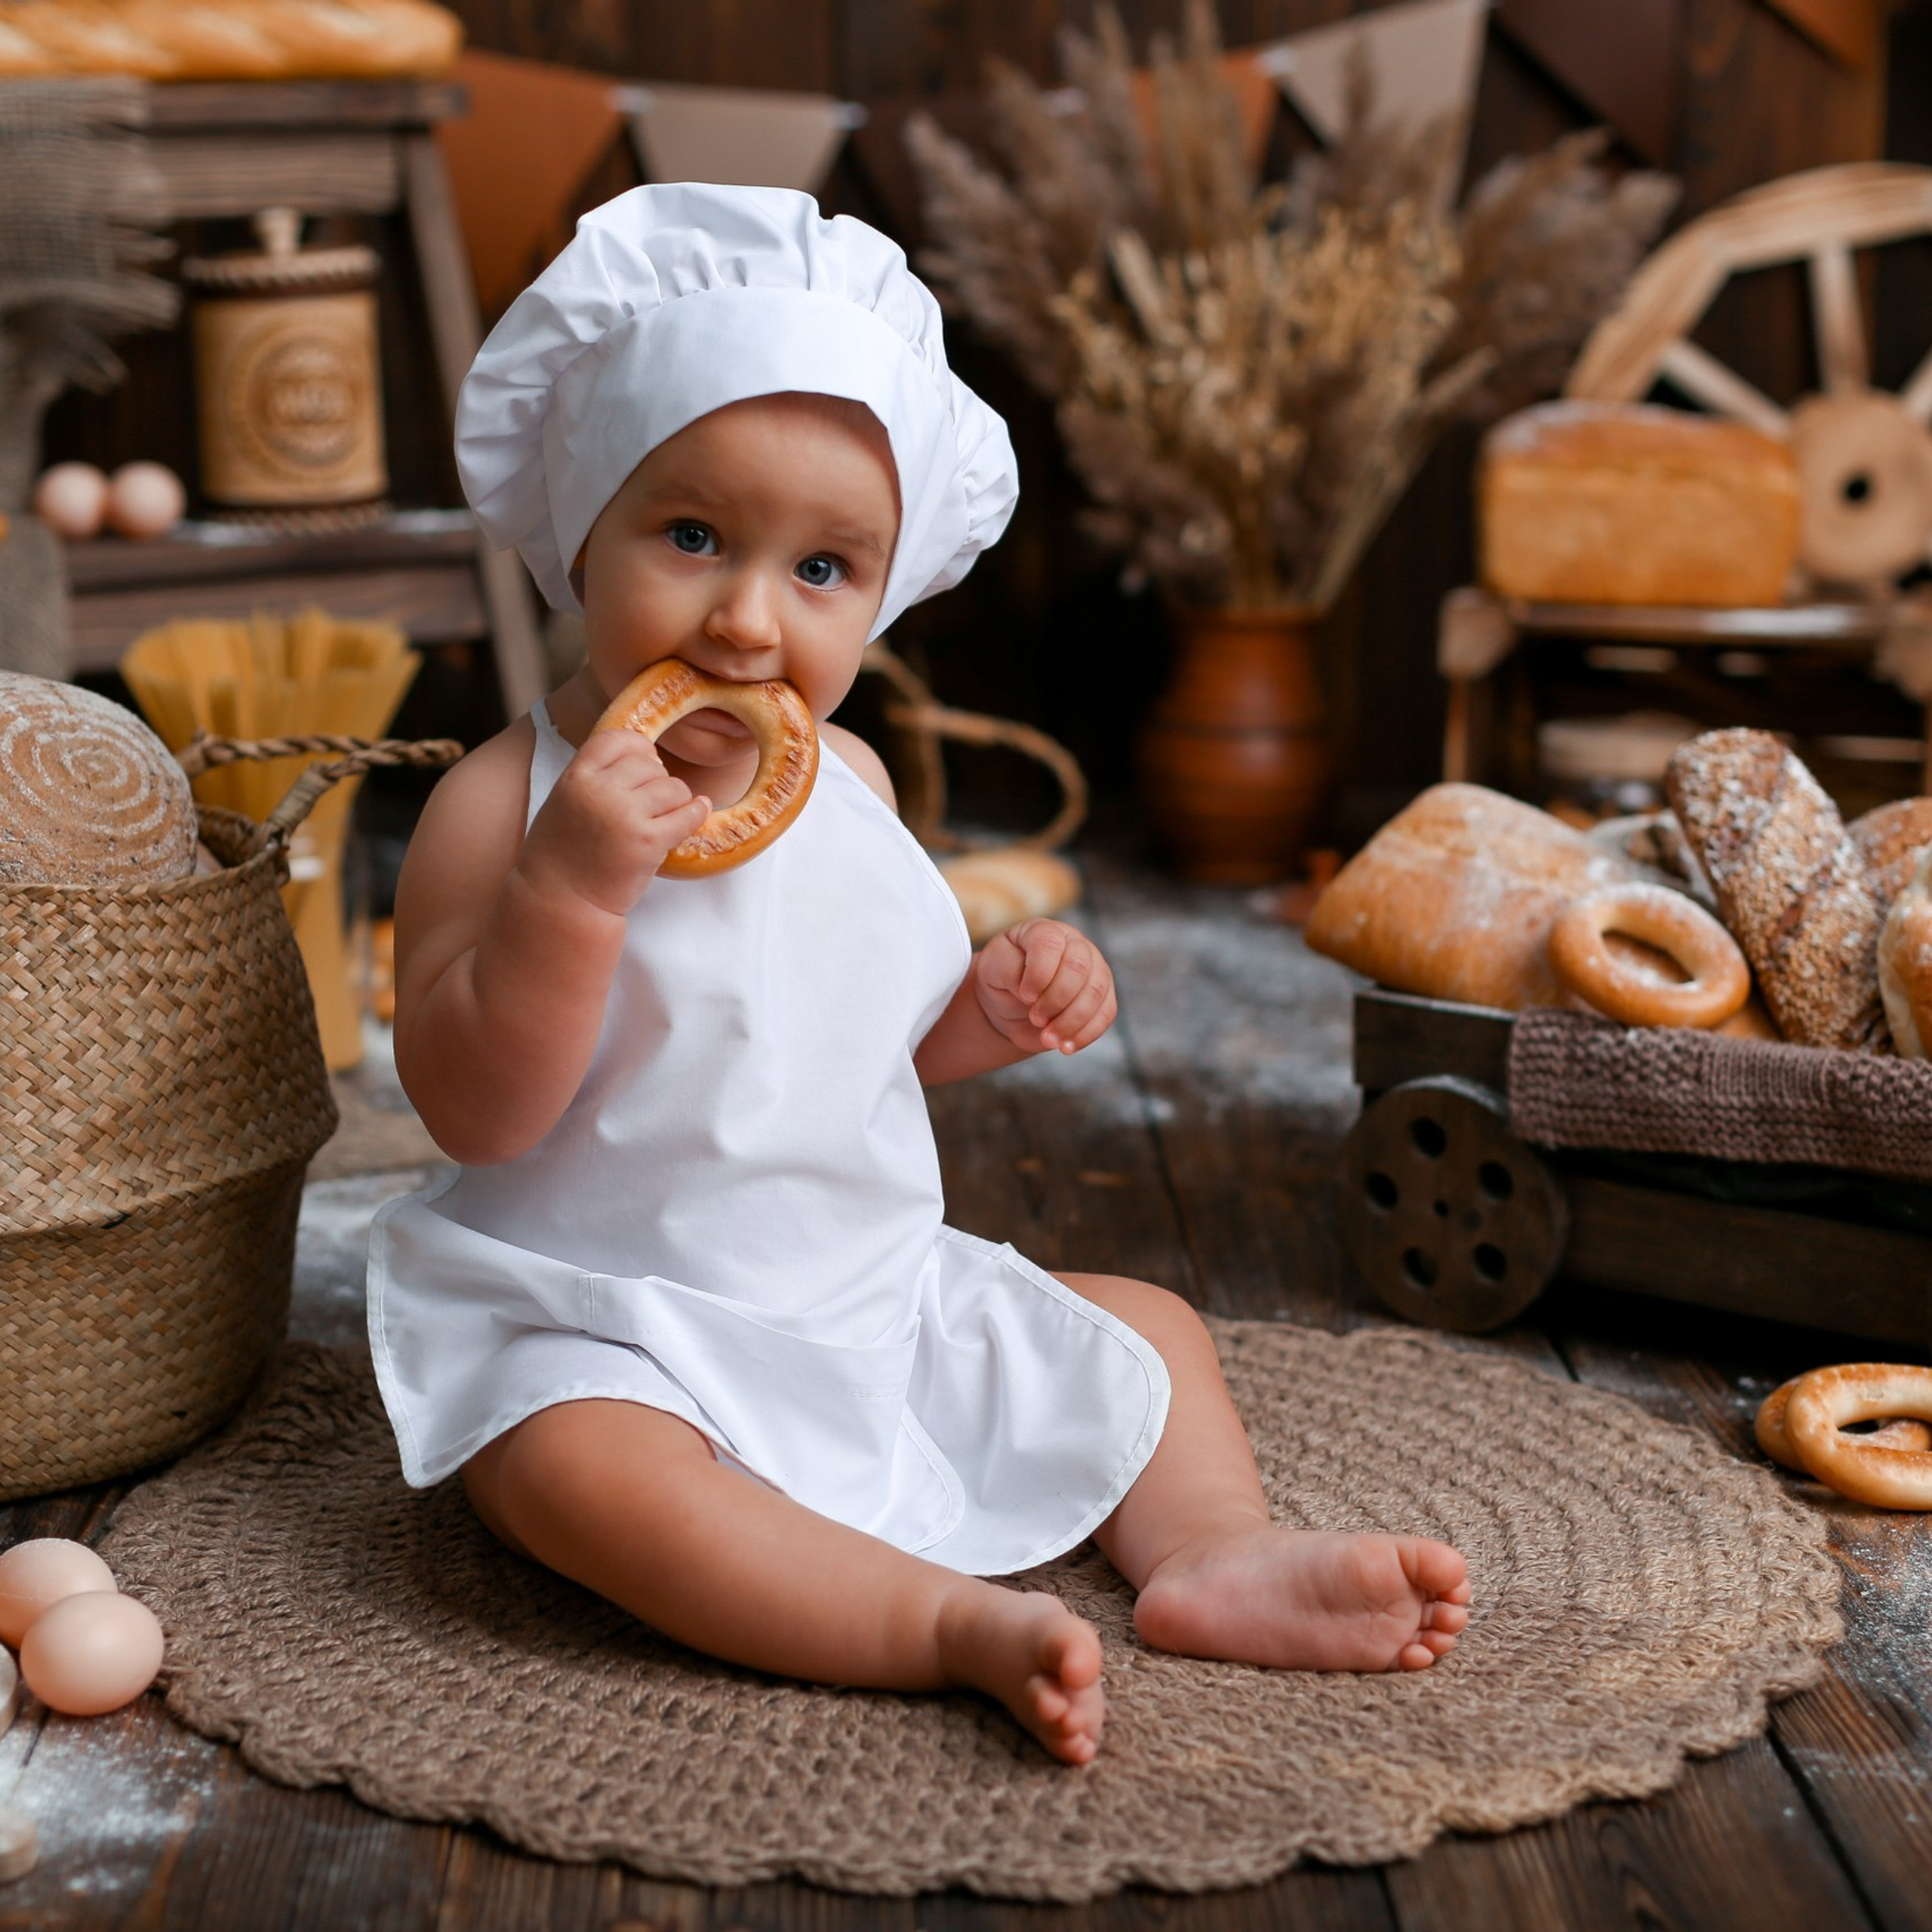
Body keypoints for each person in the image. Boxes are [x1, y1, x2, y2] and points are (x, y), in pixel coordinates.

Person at [370, 184, 1470, 1767]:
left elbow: (848, 1044)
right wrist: (571, 887)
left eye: (822, 568)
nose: (747, 619)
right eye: (691, 537)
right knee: (568, 1471)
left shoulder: (854, 788)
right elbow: (479, 1113)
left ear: (881, 598)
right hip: (612, 1325)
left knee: (1146, 1324)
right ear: (582, 524)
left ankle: (1210, 1549)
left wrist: (988, 1010)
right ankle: (933, 1621)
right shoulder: (501, 805)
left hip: (861, 1297)